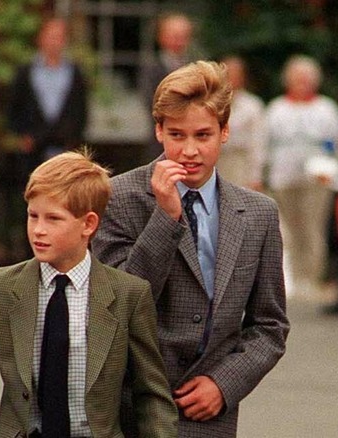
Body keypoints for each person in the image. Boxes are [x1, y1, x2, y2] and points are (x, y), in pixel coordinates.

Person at [93, 61, 290, 437]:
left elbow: (270, 324)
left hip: (210, 416)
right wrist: (166, 217)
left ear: (225, 132)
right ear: (158, 131)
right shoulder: (119, 197)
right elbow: (113, 306)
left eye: (203, 135)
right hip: (130, 410)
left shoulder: (259, 214)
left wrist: (224, 384)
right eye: (176, 135)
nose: (189, 151)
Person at [0, 150, 178, 437]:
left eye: (53, 219)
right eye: (33, 216)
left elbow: (151, 395)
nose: (38, 230)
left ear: (88, 224)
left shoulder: (128, 295)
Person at [265, 55, 338, 295]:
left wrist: (332, 170)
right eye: (297, 78)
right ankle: (292, 278)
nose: (302, 83)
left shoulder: (326, 108)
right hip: (283, 177)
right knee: (288, 228)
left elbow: (336, 144)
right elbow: (266, 143)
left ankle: (312, 277)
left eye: (306, 79)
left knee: (313, 227)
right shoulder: (277, 107)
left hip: (316, 178)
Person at [7, 16, 88, 175]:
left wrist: (73, 139)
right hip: (33, 146)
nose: (54, 42)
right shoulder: (25, 72)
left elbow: (81, 109)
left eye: (59, 37)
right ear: (41, 38)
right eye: (51, 37)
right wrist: (23, 136)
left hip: (64, 146)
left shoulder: (75, 72)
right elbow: (14, 105)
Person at [139, 12, 196, 161]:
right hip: (161, 142)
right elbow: (150, 102)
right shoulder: (151, 68)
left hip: (193, 141)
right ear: (161, 37)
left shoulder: (196, 67)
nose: (179, 41)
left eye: (183, 36)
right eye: (174, 36)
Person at [216, 56, 266, 191]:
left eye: (235, 74)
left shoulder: (253, 106)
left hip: (241, 163)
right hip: (217, 161)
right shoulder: (211, 103)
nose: (231, 78)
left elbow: (258, 143)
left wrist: (256, 176)